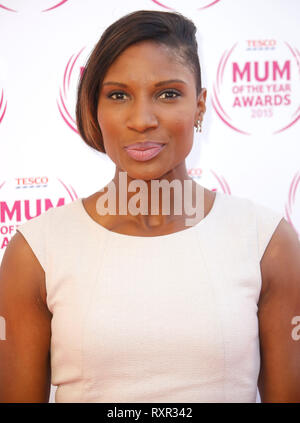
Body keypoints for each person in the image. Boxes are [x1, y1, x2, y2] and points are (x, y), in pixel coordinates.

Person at [0, 10, 300, 403]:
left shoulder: (266, 241)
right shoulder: (36, 251)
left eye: (168, 93)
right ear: (94, 109)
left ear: (200, 106)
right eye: (118, 95)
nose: (142, 120)